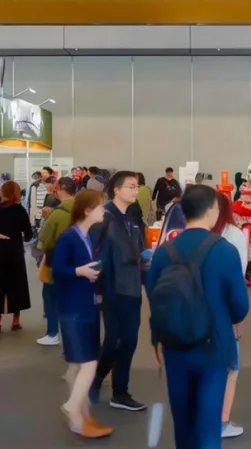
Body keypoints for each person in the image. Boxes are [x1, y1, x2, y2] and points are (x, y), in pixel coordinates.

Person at [148, 185, 250, 448]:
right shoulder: (225, 250)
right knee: (208, 425)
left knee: (183, 423)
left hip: (174, 345)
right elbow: (240, 306)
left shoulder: (164, 251)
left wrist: (156, 338)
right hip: (214, 345)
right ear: (212, 211)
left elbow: (154, 297)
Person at [52, 189, 113, 439]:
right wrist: (80, 271)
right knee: (88, 363)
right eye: (100, 207)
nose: (104, 211)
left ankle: (80, 417)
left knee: (78, 365)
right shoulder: (69, 237)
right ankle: (72, 407)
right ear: (87, 210)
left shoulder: (87, 236)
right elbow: (58, 271)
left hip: (86, 305)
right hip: (73, 308)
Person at [90, 171, 147, 411]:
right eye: (131, 186)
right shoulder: (104, 218)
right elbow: (95, 256)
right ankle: (95, 379)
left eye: (137, 186)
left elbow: (139, 251)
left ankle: (120, 392)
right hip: (111, 289)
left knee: (130, 342)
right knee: (114, 340)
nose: (136, 190)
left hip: (132, 288)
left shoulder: (132, 217)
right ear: (116, 189)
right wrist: (98, 290)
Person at [210, 192, 249, 438]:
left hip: (195, 313)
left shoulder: (192, 236)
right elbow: (238, 277)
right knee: (230, 368)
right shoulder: (233, 235)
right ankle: (222, 422)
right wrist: (238, 317)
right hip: (224, 312)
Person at [0, 181, 33, 333]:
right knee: (17, 284)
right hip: (15, 250)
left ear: (1, 193)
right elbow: (28, 234)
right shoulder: (20, 210)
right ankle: (16, 320)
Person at [37, 177, 78, 347]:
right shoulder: (83, 210)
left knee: (50, 296)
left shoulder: (56, 214)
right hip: (79, 261)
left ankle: (52, 332)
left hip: (56, 260)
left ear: (60, 188)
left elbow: (44, 240)